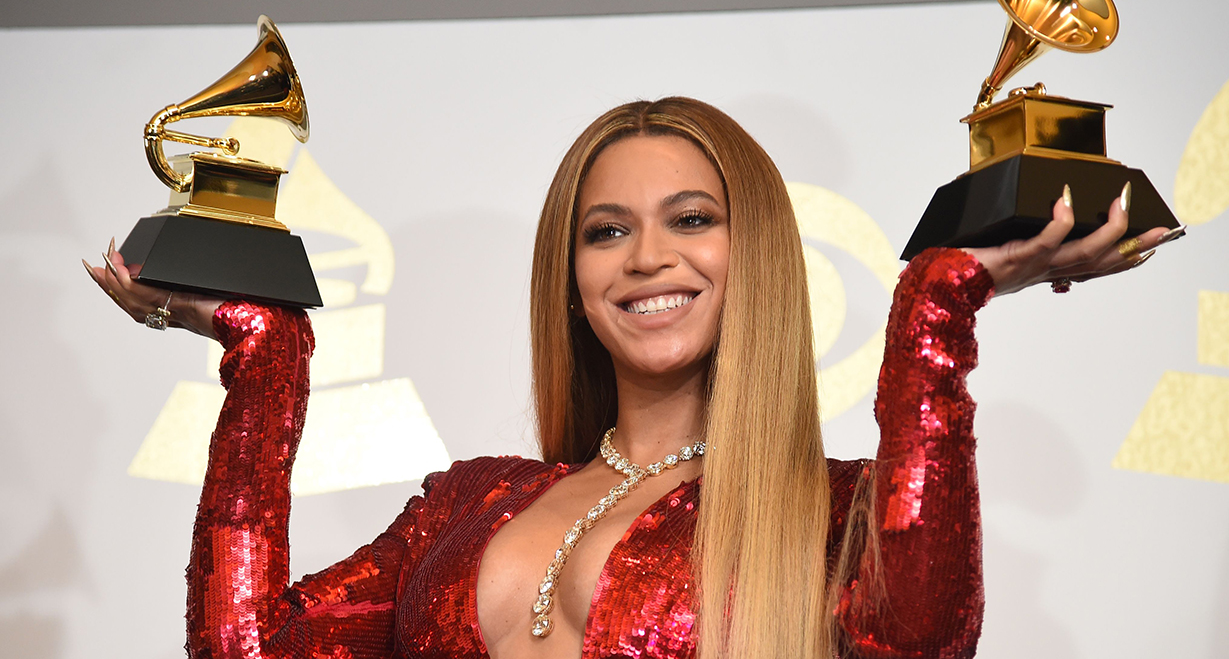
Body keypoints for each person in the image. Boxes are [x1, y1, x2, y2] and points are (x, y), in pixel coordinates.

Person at [86, 97, 1173, 659]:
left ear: (756, 258)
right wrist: (264, 370)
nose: (646, 257)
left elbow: (923, 640)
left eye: (691, 220)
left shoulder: (837, 515)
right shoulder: (462, 505)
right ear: (570, 277)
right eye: (606, 231)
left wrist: (933, 311)